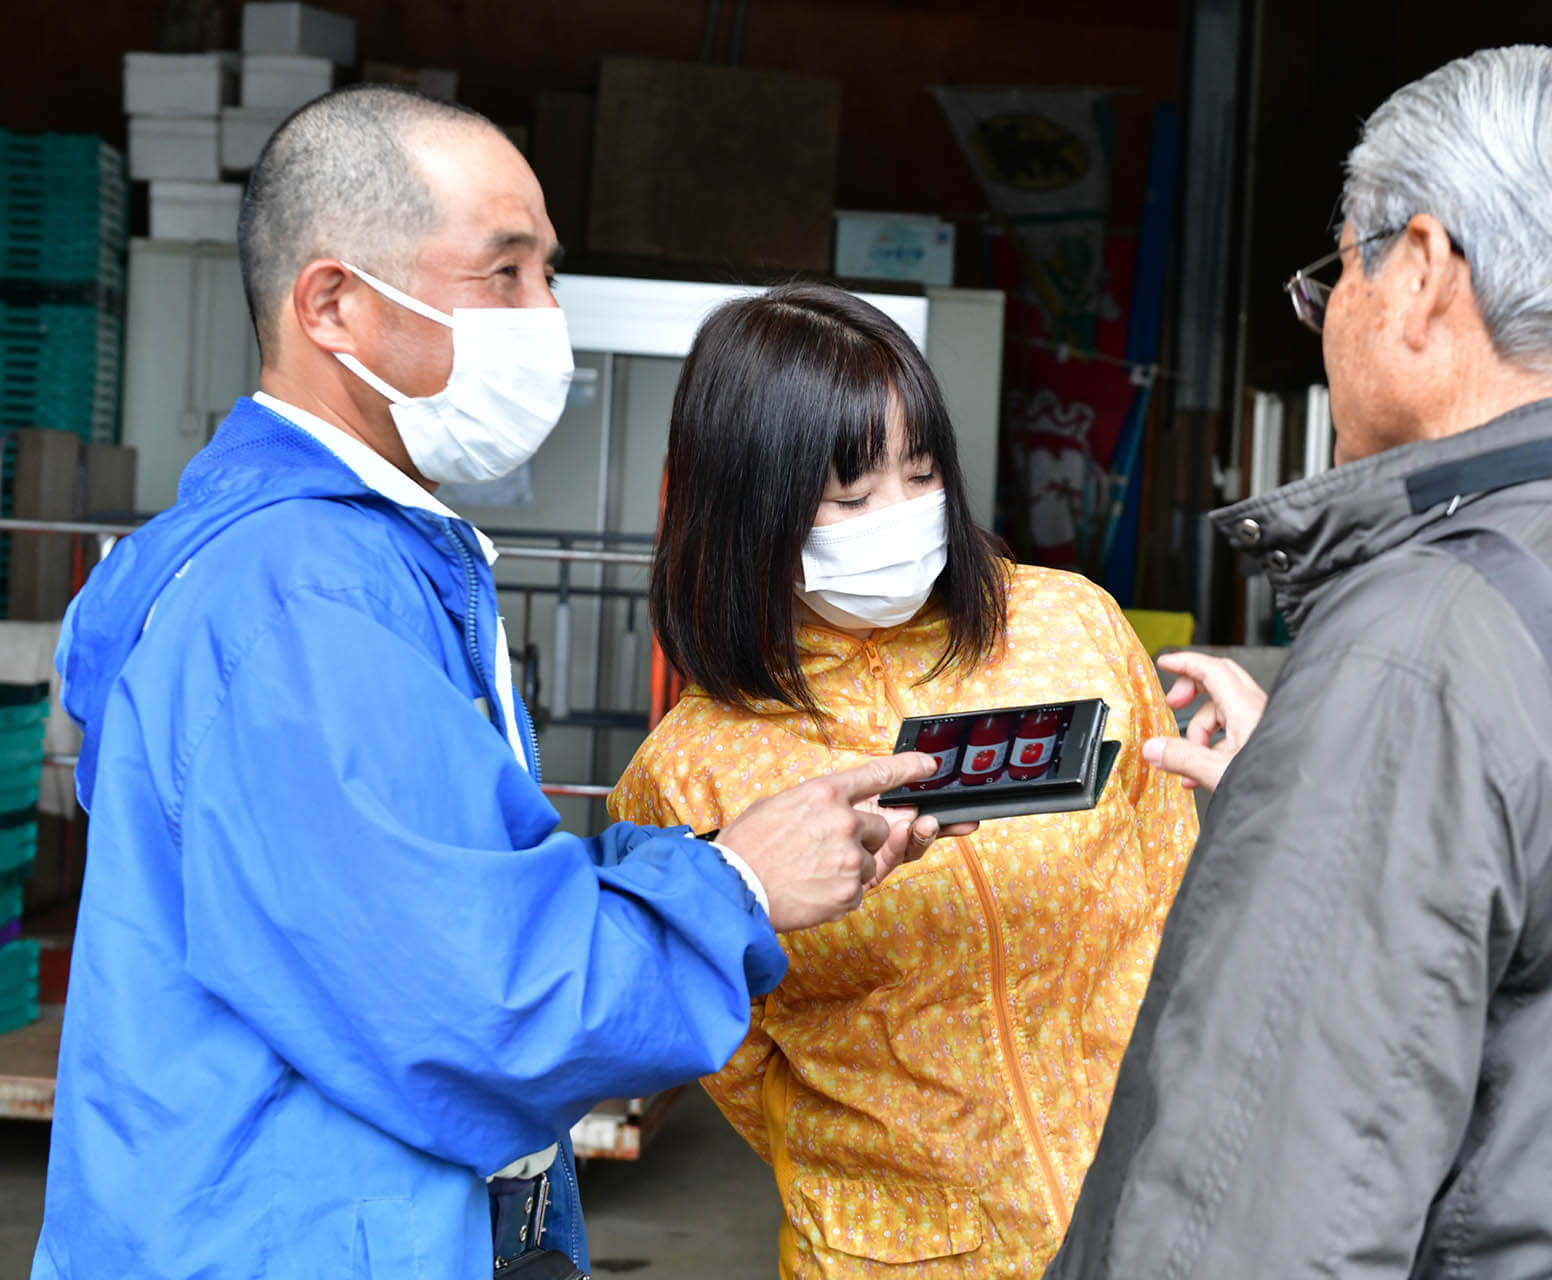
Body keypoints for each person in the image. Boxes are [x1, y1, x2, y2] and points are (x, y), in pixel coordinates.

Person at [33, 87, 953, 1280]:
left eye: (548, 276)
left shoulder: (342, 556)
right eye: (504, 275)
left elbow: (423, 886)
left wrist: (709, 861)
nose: (546, 318)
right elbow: (471, 999)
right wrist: (732, 885)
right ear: (334, 305)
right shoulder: (295, 599)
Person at [1045, 45, 1552, 1279]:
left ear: (1422, 272)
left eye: (1336, 268)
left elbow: (1248, 1233)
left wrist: (1359, 773)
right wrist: (1332, 804)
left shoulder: (1416, 652)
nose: (1326, 315)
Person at [606, 284, 1197, 1278]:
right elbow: (736, 1061)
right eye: (850, 495)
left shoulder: (1073, 628)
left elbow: (1179, 893)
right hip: (897, 1255)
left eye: (921, 474)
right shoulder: (690, 769)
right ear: (752, 501)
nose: (901, 516)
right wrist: (882, 1187)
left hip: (1146, 1218)